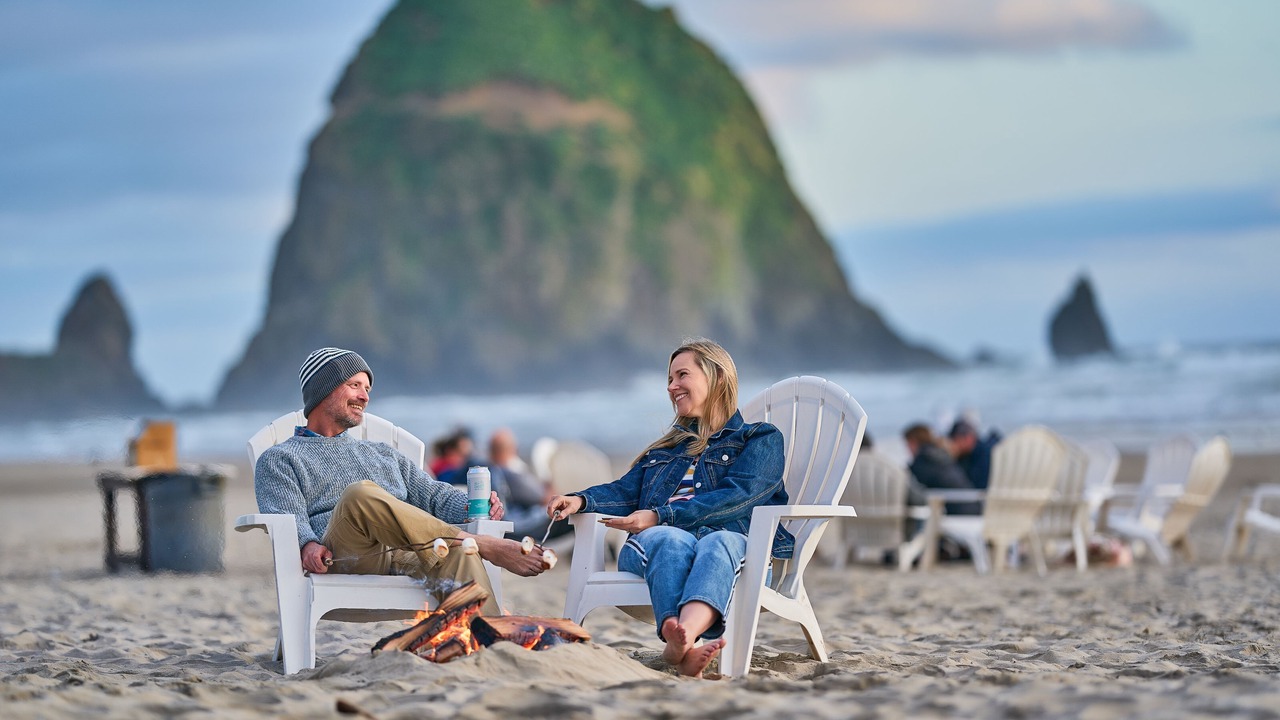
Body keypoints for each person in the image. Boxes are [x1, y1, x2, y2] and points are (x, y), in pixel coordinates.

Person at [546, 338, 792, 678]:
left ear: (718, 377)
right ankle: (684, 643)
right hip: (656, 546)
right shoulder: (666, 450)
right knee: (670, 538)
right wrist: (581, 500)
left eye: (682, 375)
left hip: (735, 549)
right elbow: (625, 490)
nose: (671, 386)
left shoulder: (760, 439)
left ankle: (682, 638)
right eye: (669, 379)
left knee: (718, 541)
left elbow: (740, 495)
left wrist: (662, 515)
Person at [254, 348, 548, 616]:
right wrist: (306, 544)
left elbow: (432, 495)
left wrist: (473, 506)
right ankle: (487, 546)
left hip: (404, 552)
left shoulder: (382, 453)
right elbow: (286, 514)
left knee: (461, 552)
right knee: (360, 495)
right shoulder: (281, 458)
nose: (364, 397)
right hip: (344, 555)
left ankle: (489, 636)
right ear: (323, 390)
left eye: (367, 389)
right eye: (354, 385)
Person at [485, 428, 565, 540]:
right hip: (523, 528)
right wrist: (548, 481)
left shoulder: (489, 473)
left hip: (510, 525)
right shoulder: (511, 474)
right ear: (513, 449)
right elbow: (546, 499)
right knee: (572, 514)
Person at [902, 422, 981, 516]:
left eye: (907, 444)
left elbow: (910, 488)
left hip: (959, 512)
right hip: (972, 507)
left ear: (913, 442)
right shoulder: (939, 454)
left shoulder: (925, 459)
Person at [948, 419, 1002, 490]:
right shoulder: (969, 455)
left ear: (968, 438)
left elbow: (979, 486)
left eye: (956, 441)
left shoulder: (984, 455)